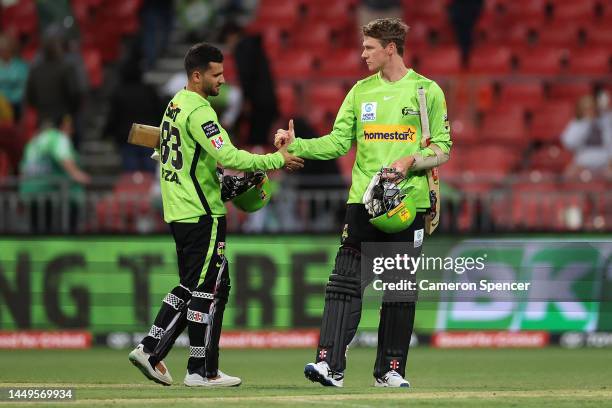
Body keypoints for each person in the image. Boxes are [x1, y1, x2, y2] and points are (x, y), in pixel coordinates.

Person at [275, 18, 452, 388]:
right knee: (343, 284)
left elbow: (443, 148)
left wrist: (410, 162)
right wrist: (298, 144)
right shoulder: (359, 92)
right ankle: (329, 365)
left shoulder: (426, 91)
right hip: (363, 203)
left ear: (391, 48)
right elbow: (339, 142)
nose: (362, 54)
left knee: (399, 290)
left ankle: (390, 370)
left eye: (369, 47)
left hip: (408, 205)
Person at [128, 42, 303, 387]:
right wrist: (276, 161)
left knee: (212, 284)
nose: (223, 80)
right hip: (202, 212)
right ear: (197, 76)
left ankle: (185, 360)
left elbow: (176, 155)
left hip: (180, 209)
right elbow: (234, 157)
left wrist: (216, 178)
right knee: (203, 289)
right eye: (216, 74)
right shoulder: (200, 112)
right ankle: (187, 366)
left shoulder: (175, 105)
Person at [19, 115, 90, 233]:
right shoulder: (59, 138)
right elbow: (63, 157)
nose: (71, 132)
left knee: (37, 233)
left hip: (30, 193)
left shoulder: (34, 141)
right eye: (68, 128)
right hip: (51, 193)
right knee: (56, 233)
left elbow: (23, 168)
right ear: (61, 127)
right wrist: (79, 175)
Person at [561, 93, 612, 178]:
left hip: (606, 161)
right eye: (586, 108)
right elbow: (569, 143)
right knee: (567, 178)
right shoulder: (577, 123)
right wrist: (586, 124)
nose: (589, 110)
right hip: (583, 161)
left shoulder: (606, 121)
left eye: (591, 107)